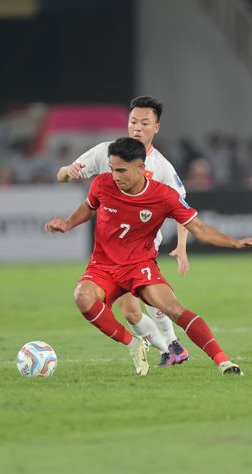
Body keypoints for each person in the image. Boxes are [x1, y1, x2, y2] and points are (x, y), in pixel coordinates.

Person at [47, 137, 252, 376]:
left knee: (173, 308)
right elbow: (89, 206)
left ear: (141, 168)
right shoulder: (102, 184)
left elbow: (200, 228)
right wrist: (67, 224)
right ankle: (134, 344)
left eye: (121, 170)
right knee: (83, 296)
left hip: (139, 266)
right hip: (103, 266)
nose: (116, 176)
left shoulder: (164, 196)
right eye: (112, 169)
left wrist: (235, 242)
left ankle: (223, 361)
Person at [57, 96, 193, 368]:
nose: (137, 127)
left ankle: (171, 344)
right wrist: (67, 172)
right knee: (130, 312)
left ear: (156, 128)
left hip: (141, 246)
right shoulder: (107, 151)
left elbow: (183, 209)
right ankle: (169, 347)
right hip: (111, 250)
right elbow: (62, 174)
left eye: (144, 122)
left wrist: (182, 245)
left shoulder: (163, 167)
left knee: (145, 297)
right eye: (133, 121)